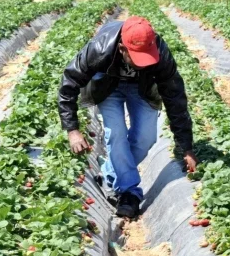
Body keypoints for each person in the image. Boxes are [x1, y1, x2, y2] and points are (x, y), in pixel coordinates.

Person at [58, 16, 197, 219]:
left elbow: (175, 97)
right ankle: (130, 193)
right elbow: (69, 83)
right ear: (122, 48)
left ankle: (108, 174)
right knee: (116, 134)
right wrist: (72, 130)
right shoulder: (99, 48)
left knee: (146, 137)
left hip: (142, 87)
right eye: (137, 57)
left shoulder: (160, 53)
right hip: (108, 85)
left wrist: (186, 147)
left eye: (146, 57)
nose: (143, 63)